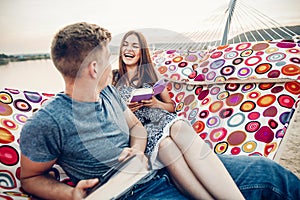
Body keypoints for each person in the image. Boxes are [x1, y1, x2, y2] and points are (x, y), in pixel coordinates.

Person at [112, 30, 300, 199]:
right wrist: (127, 112)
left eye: (134, 45)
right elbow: (111, 114)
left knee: (178, 130)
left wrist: (155, 103)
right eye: (125, 45)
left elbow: (171, 107)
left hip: (163, 121)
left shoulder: (152, 76)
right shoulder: (114, 79)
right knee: (167, 147)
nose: (129, 49)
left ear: (141, 51)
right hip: (145, 135)